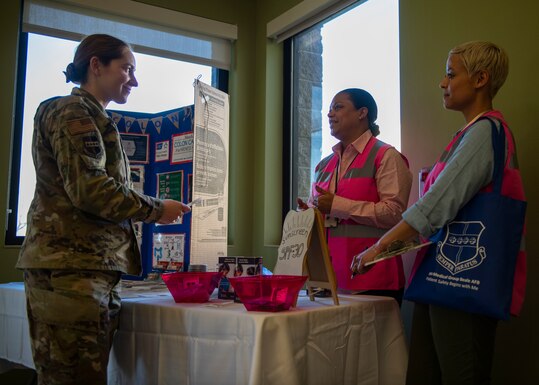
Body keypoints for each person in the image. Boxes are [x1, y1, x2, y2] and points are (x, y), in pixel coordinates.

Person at [16, 34, 191, 385]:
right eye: (127, 68)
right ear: (96, 65)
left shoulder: (94, 117)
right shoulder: (73, 112)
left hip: (84, 271)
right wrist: (157, 210)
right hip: (71, 273)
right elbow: (91, 190)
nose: (135, 80)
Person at [352, 41, 526, 385]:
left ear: (480, 79)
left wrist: (378, 248)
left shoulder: (484, 133)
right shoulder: (469, 134)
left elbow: (435, 206)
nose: (443, 83)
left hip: (461, 282)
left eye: (451, 74)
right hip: (447, 279)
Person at [297, 88, 412, 305]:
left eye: (338, 107)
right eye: (329, 109)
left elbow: (395, 214)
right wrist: (307, 215)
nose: (330, 114)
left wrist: (337, 205)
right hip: (327, 281)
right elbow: (326, 219)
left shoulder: (386, 156)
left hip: (373, 279)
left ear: (362, 113)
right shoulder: (323, 166)